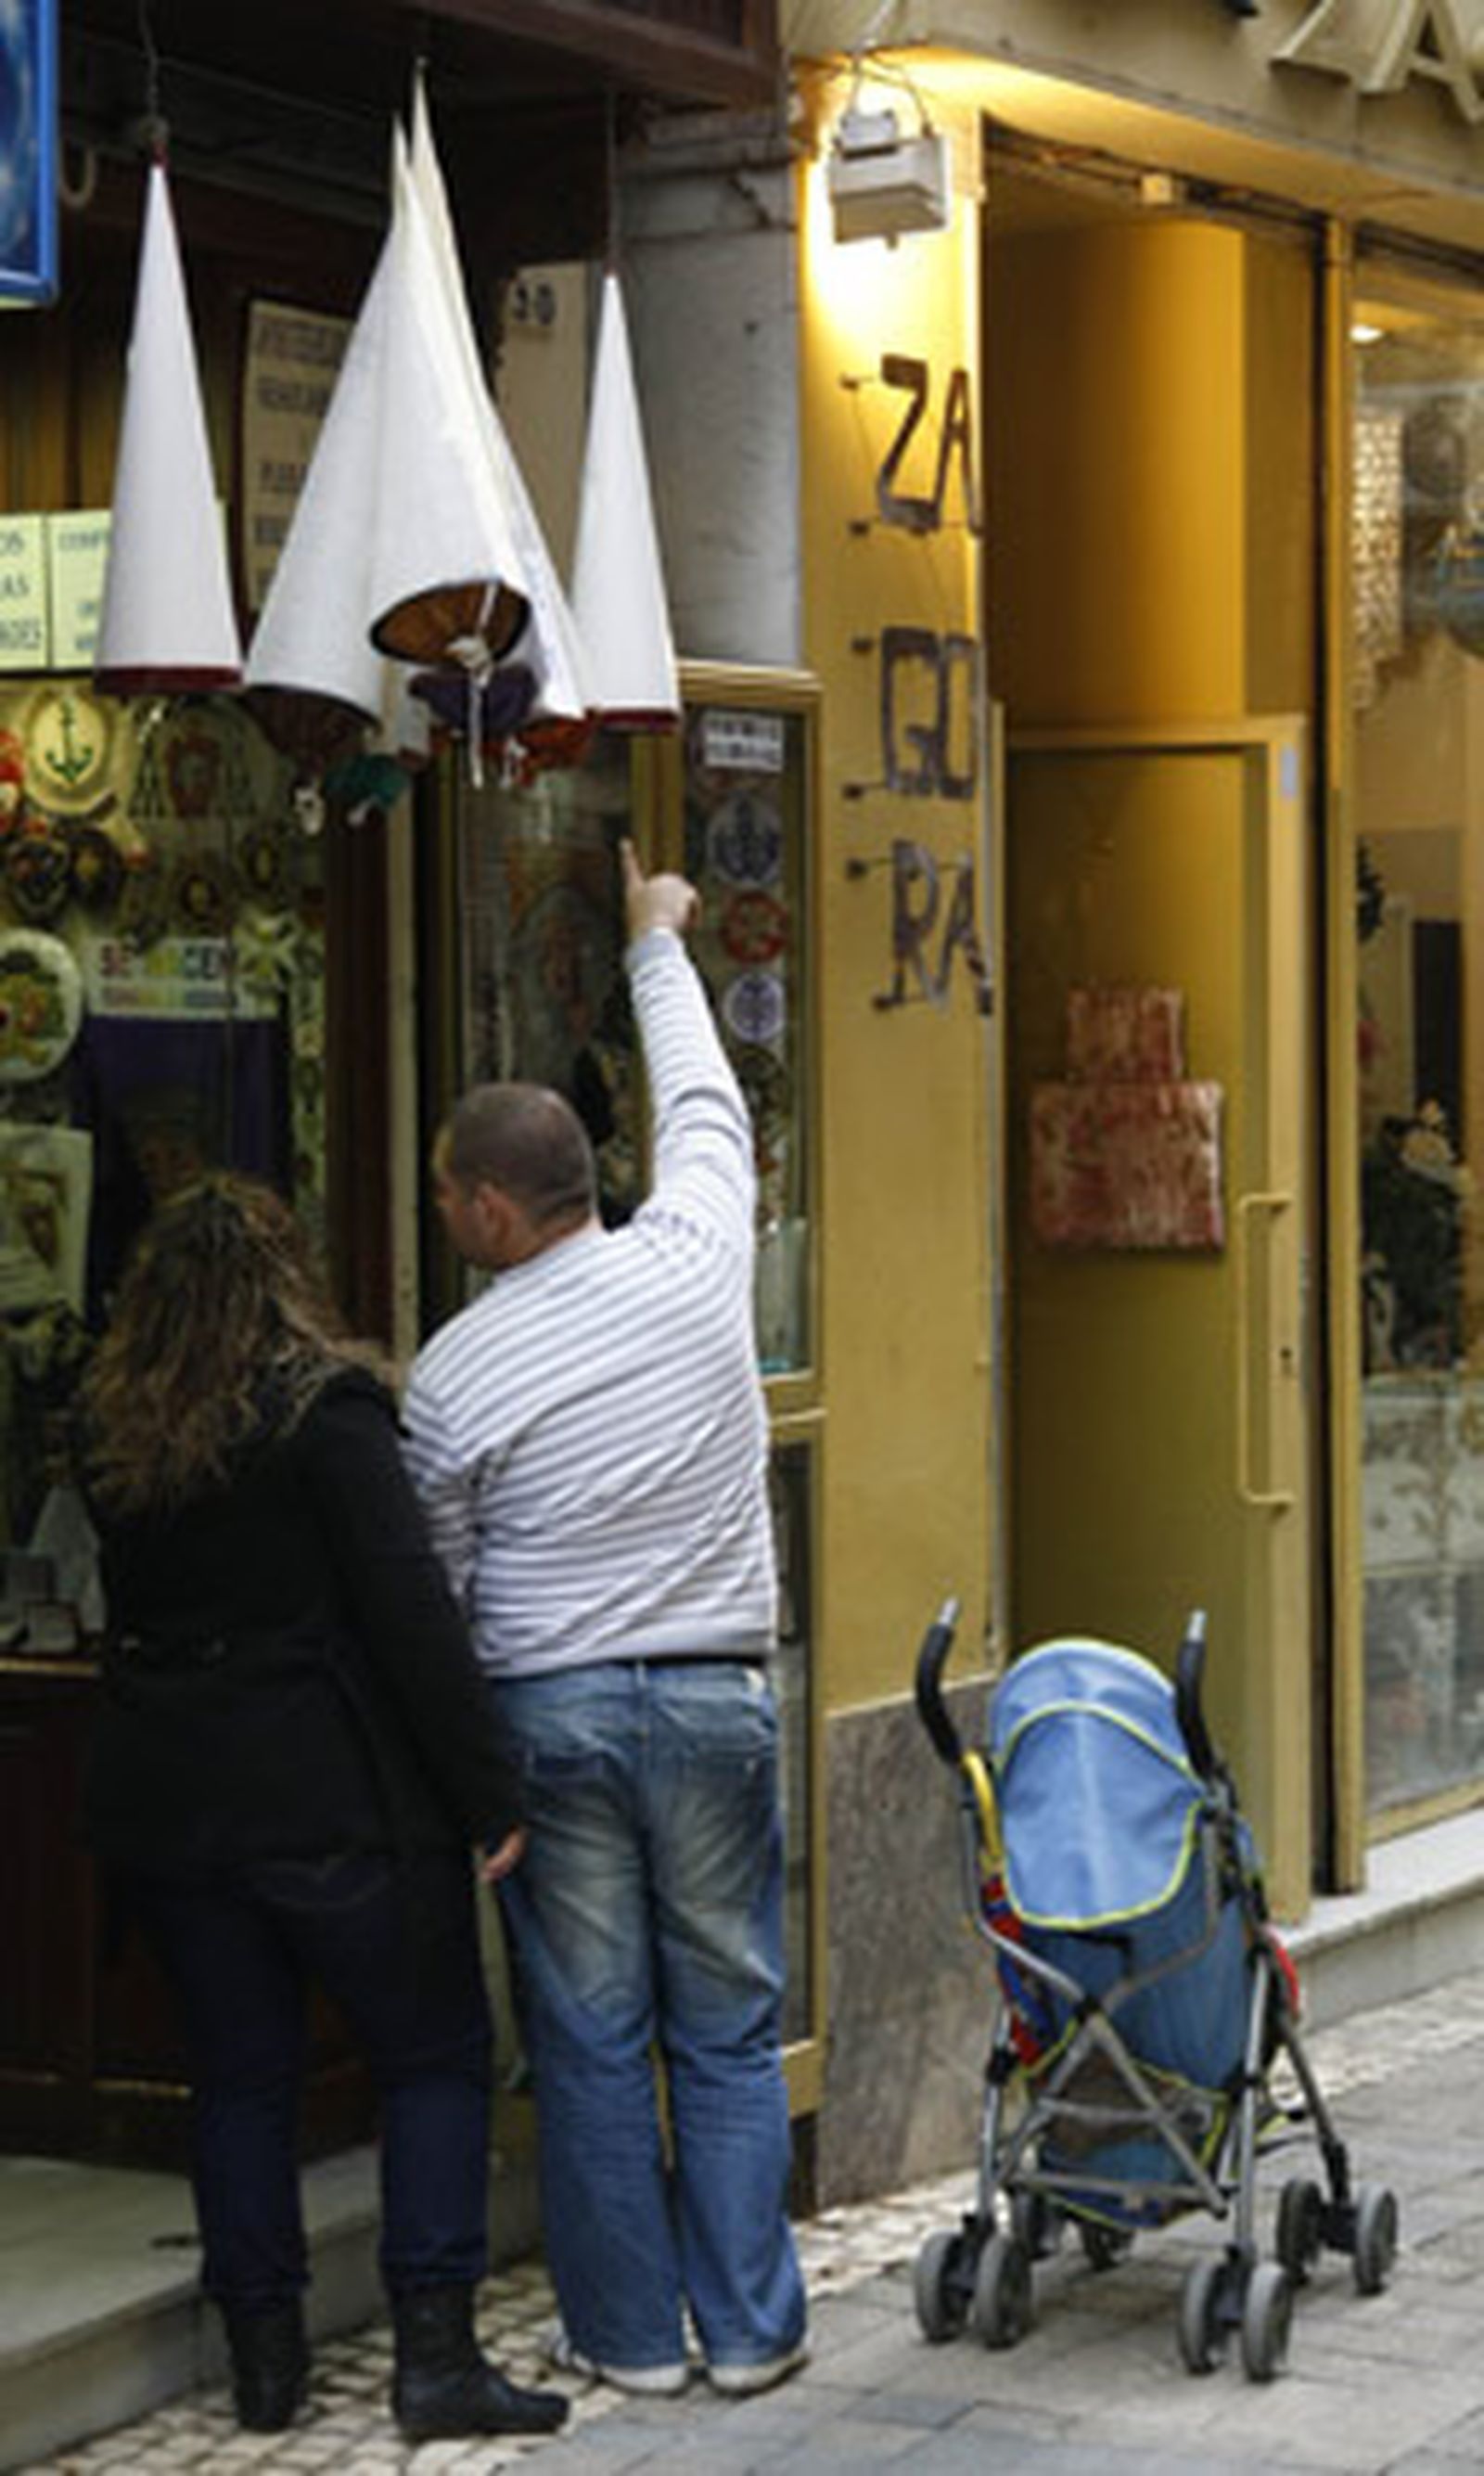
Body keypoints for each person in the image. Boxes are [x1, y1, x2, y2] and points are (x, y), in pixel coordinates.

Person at [403, 841, 808, 2399]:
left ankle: (632, 2340)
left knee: (587, 2038)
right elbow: (706, 1102)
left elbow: (438, 1595)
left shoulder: (457, 1374)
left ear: (495, 1209)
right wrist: (657, 938)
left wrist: (464, 1782)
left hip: (553, 1715)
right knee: (724, 2024)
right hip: (713, 1697)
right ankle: (757, 2330)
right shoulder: (700, 1257)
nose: (444, 1215)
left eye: (450, 1195)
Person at [80, 1174, 569, 2447]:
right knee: (432, 2053)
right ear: (286, 1276)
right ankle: (436, 2355)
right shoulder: (325, 1412)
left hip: (176, 1805)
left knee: (240, 2076)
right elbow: (408, 1612)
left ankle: (264, 2363)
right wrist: (486, 1790)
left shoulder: (113, 1429)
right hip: (332, 1798)